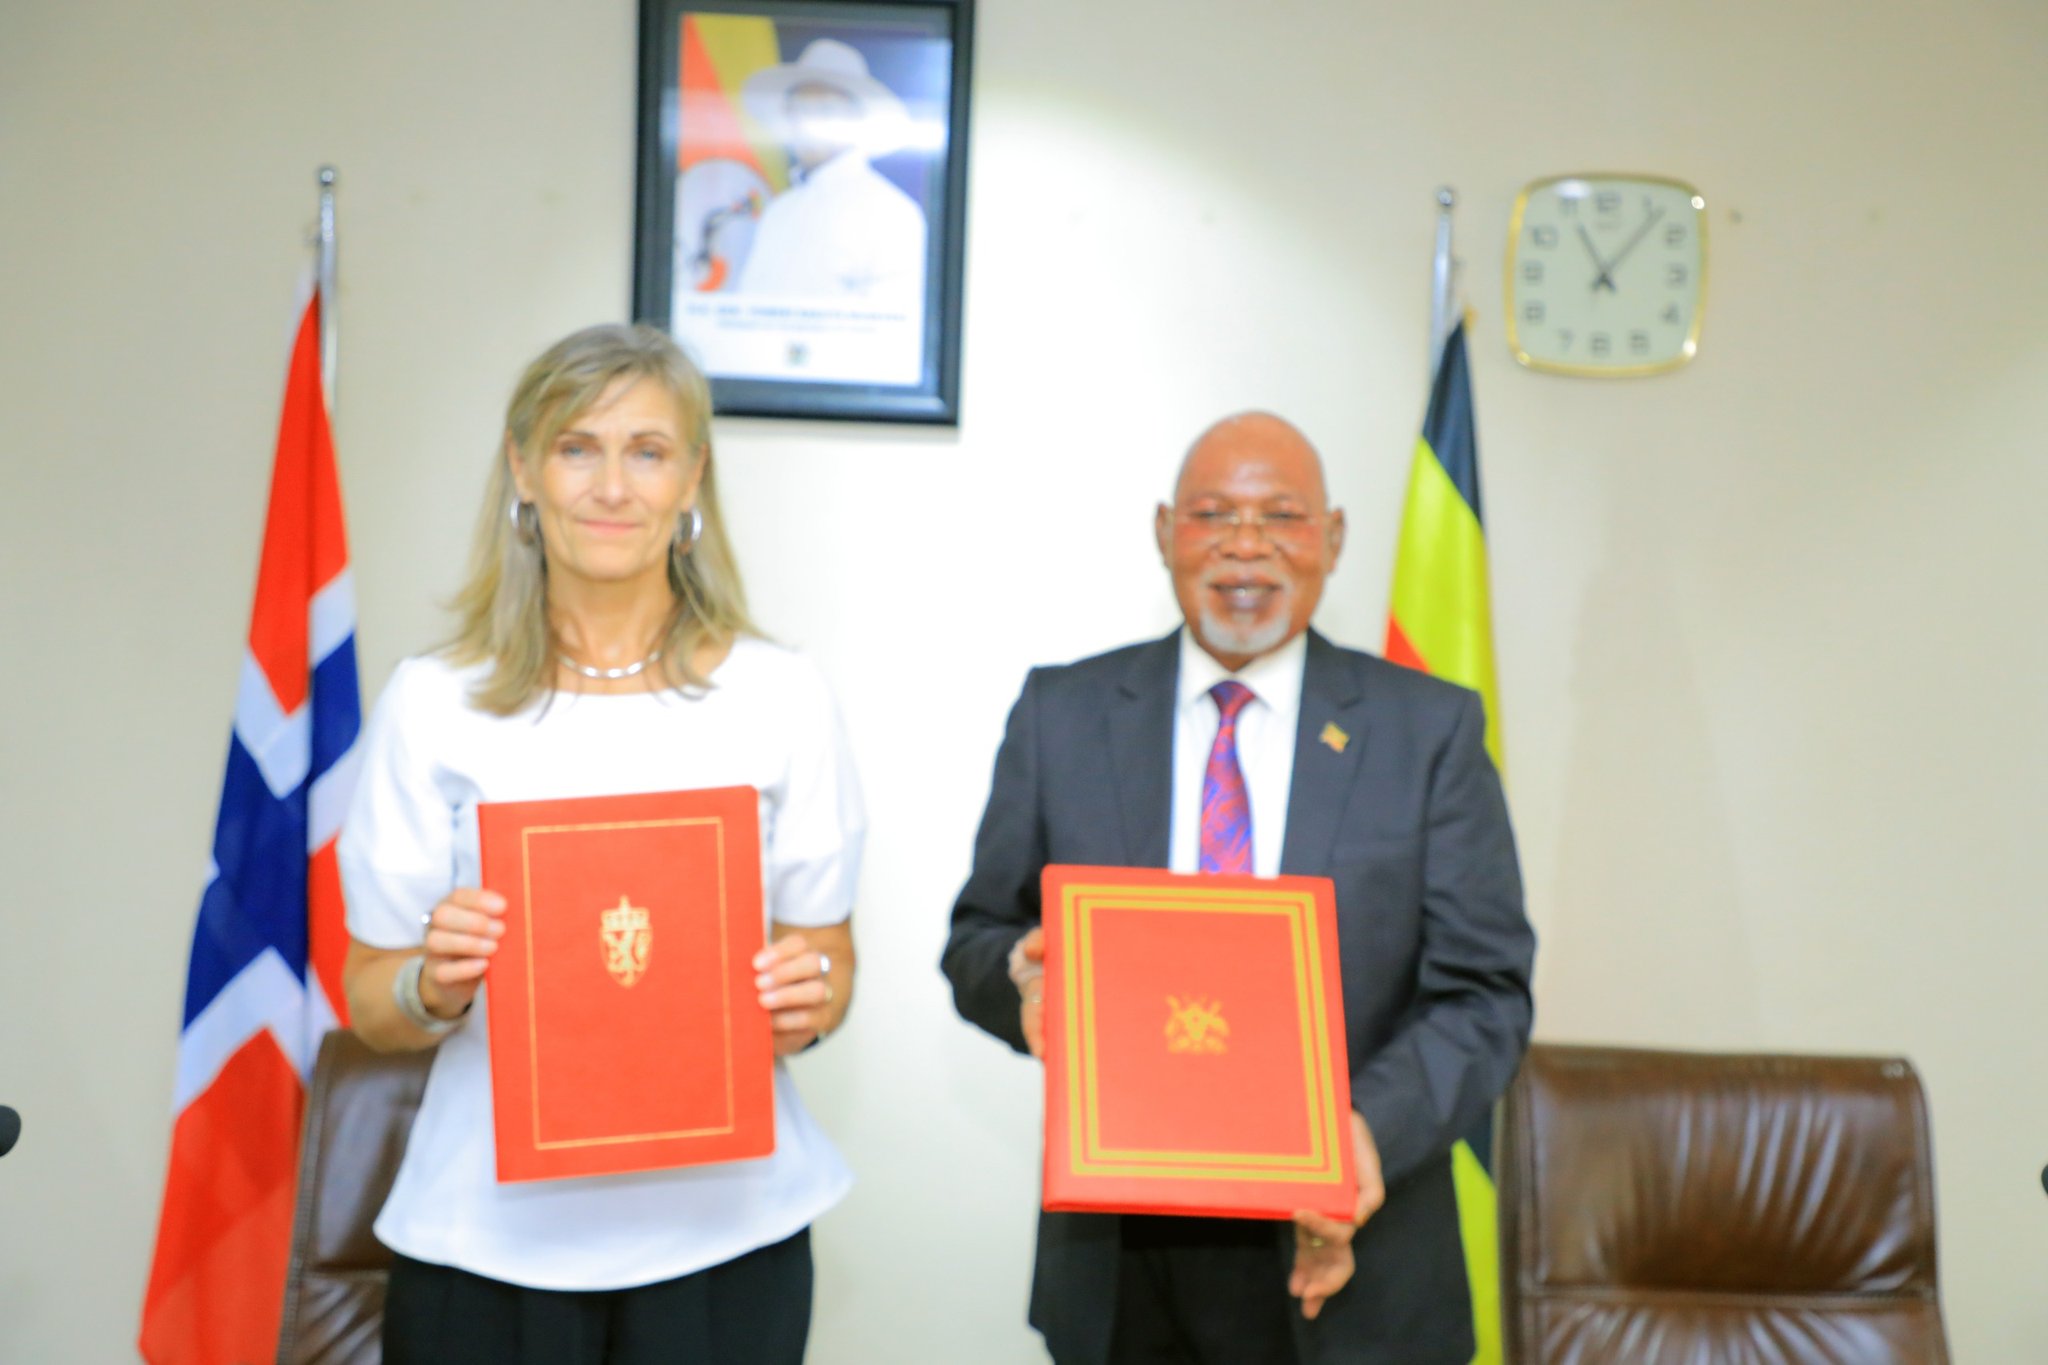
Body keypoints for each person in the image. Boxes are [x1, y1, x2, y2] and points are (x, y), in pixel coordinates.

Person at [941, 412, 1535, 1365]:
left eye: (1282, 516)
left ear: (1333, 538)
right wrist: (1021, 975)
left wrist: (1364, 1132)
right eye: (1213, 514)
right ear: (1165, 532)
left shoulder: (1428, 732)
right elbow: (978, 936)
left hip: (1356, 1262)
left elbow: (1486, 991)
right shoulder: (1064, 714)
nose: (1245, 545)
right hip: (1123, 1260)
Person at [339, 323, 864, 1365]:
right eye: (577, 447)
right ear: (522, 470)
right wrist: (431, 988)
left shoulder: (780, 693)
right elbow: (368, 998)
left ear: (691, 480)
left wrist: (809, 1001)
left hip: (729, 1240)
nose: (611, 485)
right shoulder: (431, 702)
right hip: (483, 1241)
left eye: (647, 450)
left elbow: (829, 959)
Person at [733, 37, 928, 306]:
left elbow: (891, 329)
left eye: (825, 110)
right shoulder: (778, 212)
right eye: (797, 110)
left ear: (857, 120)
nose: (806, 123)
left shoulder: (892, 213)